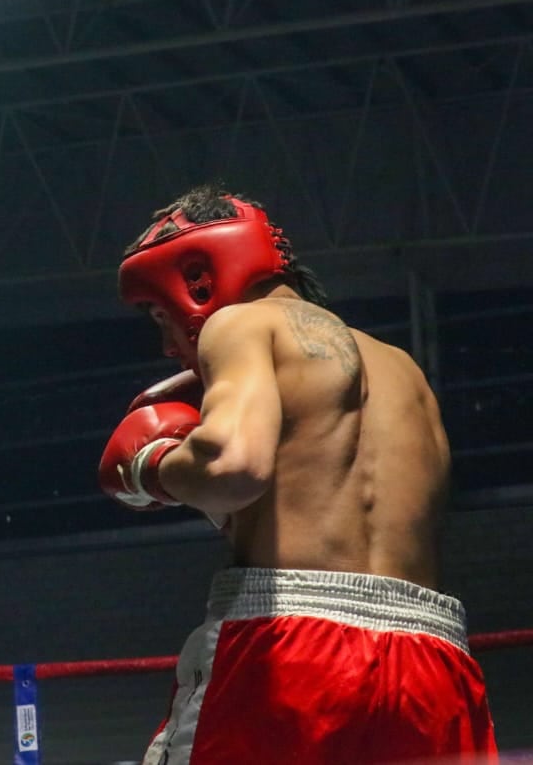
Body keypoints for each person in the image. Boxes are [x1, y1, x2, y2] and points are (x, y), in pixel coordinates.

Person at [98, 187, 498, 764]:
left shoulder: (239, 325)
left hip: (291, 652)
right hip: (434, 662)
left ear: (199, 279)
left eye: (162, 315)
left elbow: (233, 467)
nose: (166, 345)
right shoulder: (404, 370)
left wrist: (150, 467)